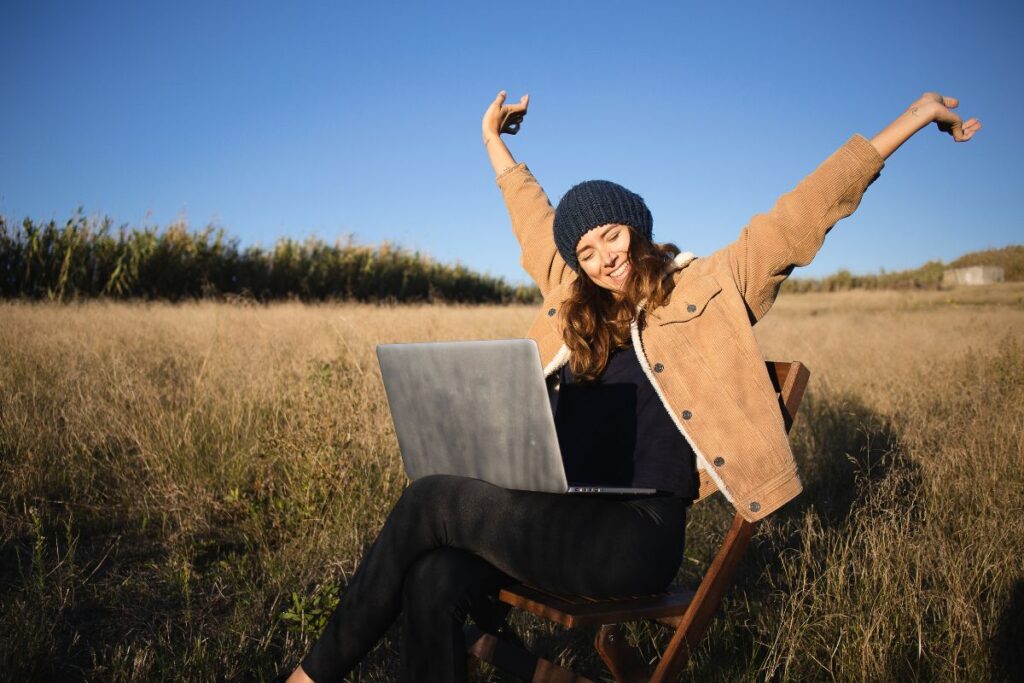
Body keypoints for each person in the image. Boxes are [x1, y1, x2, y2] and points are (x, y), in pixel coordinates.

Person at [283, 90, 980, 683]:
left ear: (635, 227)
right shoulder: (575, 300)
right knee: (434, 575)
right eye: (585, 250)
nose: (603, 256)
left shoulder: (706, 286)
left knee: (430, 498)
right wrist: (491, 141)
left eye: (610, 235)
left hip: (634, 537)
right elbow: (534, 221)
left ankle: (309, 676)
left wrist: (913, 119)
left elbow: (804, 213)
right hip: (564, 514)